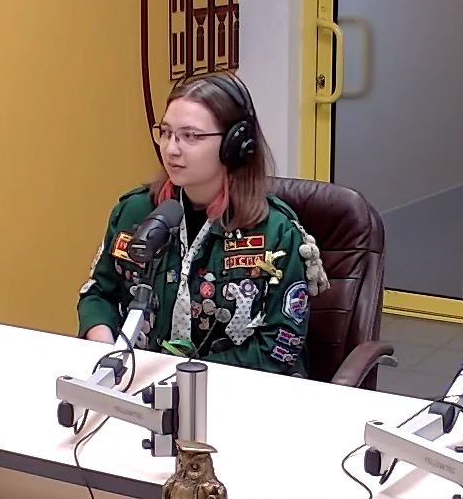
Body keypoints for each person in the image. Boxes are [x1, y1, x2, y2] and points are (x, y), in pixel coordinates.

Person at [78, 73, 327, 377]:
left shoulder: (276, 232)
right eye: (166, 132)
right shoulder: (135, 212)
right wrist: (106, 349)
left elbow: (280, 347)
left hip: (238, 388)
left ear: (234, 145)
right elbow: (99, 293)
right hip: (137, 380)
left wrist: (182, 376)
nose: (171, 149)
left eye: (191, 136)